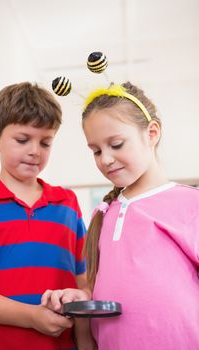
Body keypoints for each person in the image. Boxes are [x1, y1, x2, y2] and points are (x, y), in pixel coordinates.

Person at [42, 82, 199, 349]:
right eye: (96, 151)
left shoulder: (190, 203)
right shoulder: (104, 214)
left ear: (152, 133)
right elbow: (103, 289)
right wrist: (81, 296)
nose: (106, 159)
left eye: (116, 144)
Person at [0, 82, 95, 350]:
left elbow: (83, 282)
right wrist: (32, 317)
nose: (35, 150)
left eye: (45, 142)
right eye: (23, 140)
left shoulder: (67, 204)